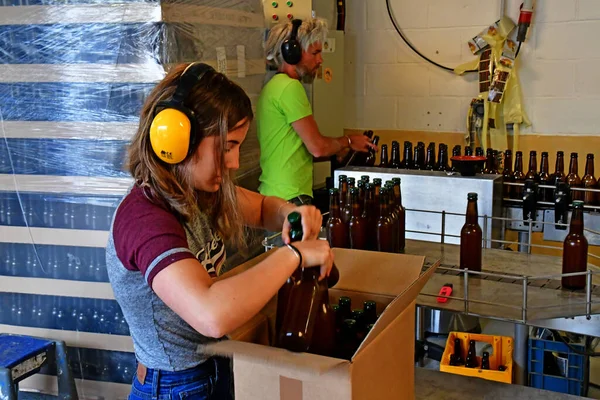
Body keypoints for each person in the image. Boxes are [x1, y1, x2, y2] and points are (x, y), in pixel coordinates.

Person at [105, 62, 334, 399]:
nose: (235, 162)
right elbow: (210, 314)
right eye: (227, 146)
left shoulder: (198, 193)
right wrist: (295, 255)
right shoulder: (144, 219)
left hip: (215, 370)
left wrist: (290, 214)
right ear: (179, 139)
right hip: (173, 386)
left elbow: (260, 208)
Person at [257, 18, 375, 205]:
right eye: (315, 52)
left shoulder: (274, 86)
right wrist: (349, 141)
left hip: (274, 194)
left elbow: (298, 149)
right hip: (290, 197)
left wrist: (337, 150)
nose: (321, 60)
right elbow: (317, 147)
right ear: (293, 54)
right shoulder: (290, 88)